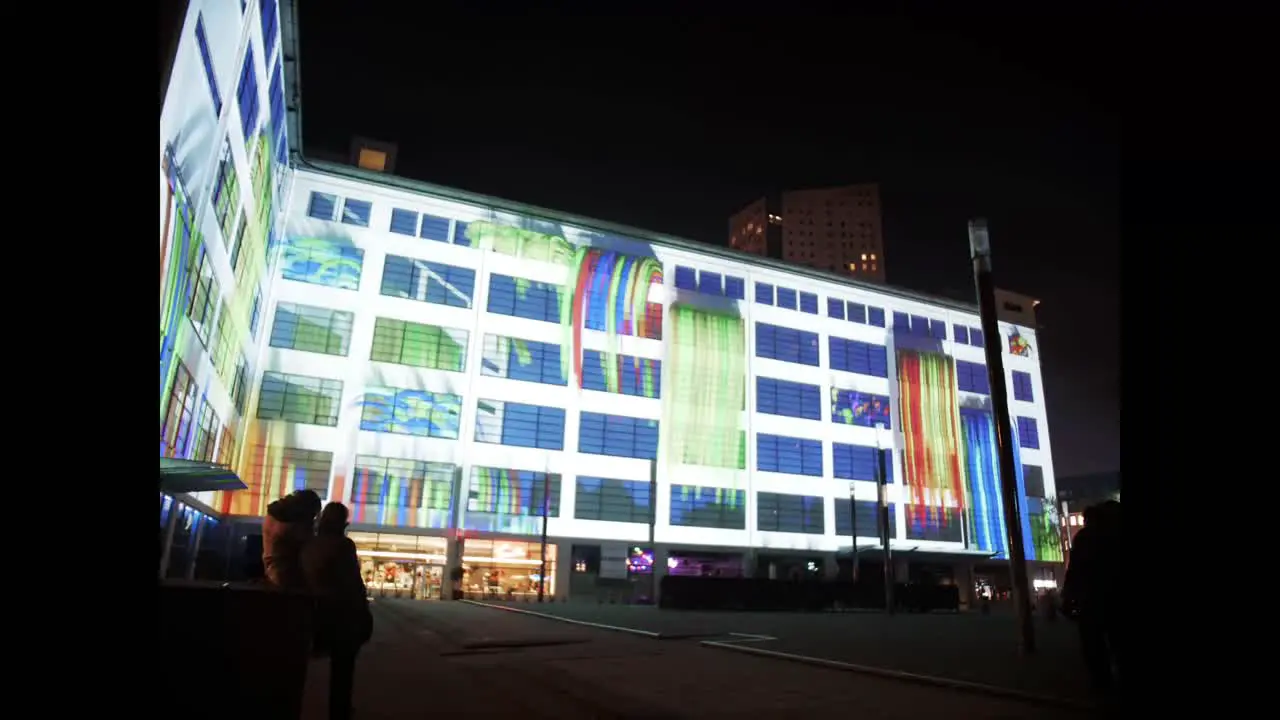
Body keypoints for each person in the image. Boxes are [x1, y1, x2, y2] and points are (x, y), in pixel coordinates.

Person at [302, 502, 372, 720]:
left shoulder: (309, 544)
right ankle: (339, 711)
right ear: (343, 522)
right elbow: (352, 582)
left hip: (315, 611)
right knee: (343, 670)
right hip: (341, 614)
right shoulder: (343, 546)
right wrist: (363, 612)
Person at [1061, 500, 1121, 697]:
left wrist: (1068, 597)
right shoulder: (1113, 536)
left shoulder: (1085, 538)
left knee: (1093, 645)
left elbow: (1075, 570)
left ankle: (1102, 685)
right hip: (1110, 599)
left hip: (1091, 600)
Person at [262, 489, 323, 591]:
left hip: (271, 571)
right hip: (289, 576)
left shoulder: (272, 515)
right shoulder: (296, 526)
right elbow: (311, 546)